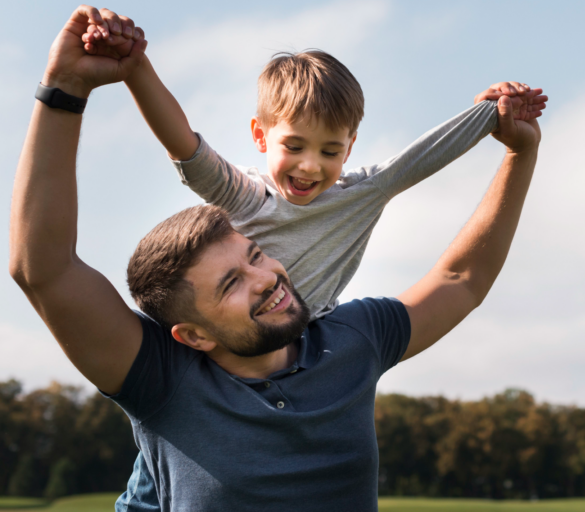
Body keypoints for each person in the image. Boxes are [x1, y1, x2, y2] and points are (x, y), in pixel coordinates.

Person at [10, 6, 543, 512]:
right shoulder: (161, 378)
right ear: (192, 334)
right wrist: (66, 87)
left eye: (257, 253)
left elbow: (462, 278)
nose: (266, 279)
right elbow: (44, 269)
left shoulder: (352, 341)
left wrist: (519, 152)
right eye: (229, 284)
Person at [80, 9, 546, 322]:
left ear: (349, 148)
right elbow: (184, 145)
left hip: (302, 347)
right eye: (294, 145)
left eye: (328, 151)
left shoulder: (362, 194)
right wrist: (134, 66)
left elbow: (425, 155)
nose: (308, 166)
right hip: (213, 349)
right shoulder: (245, 195)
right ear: (261, 136)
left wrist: (493, 112)